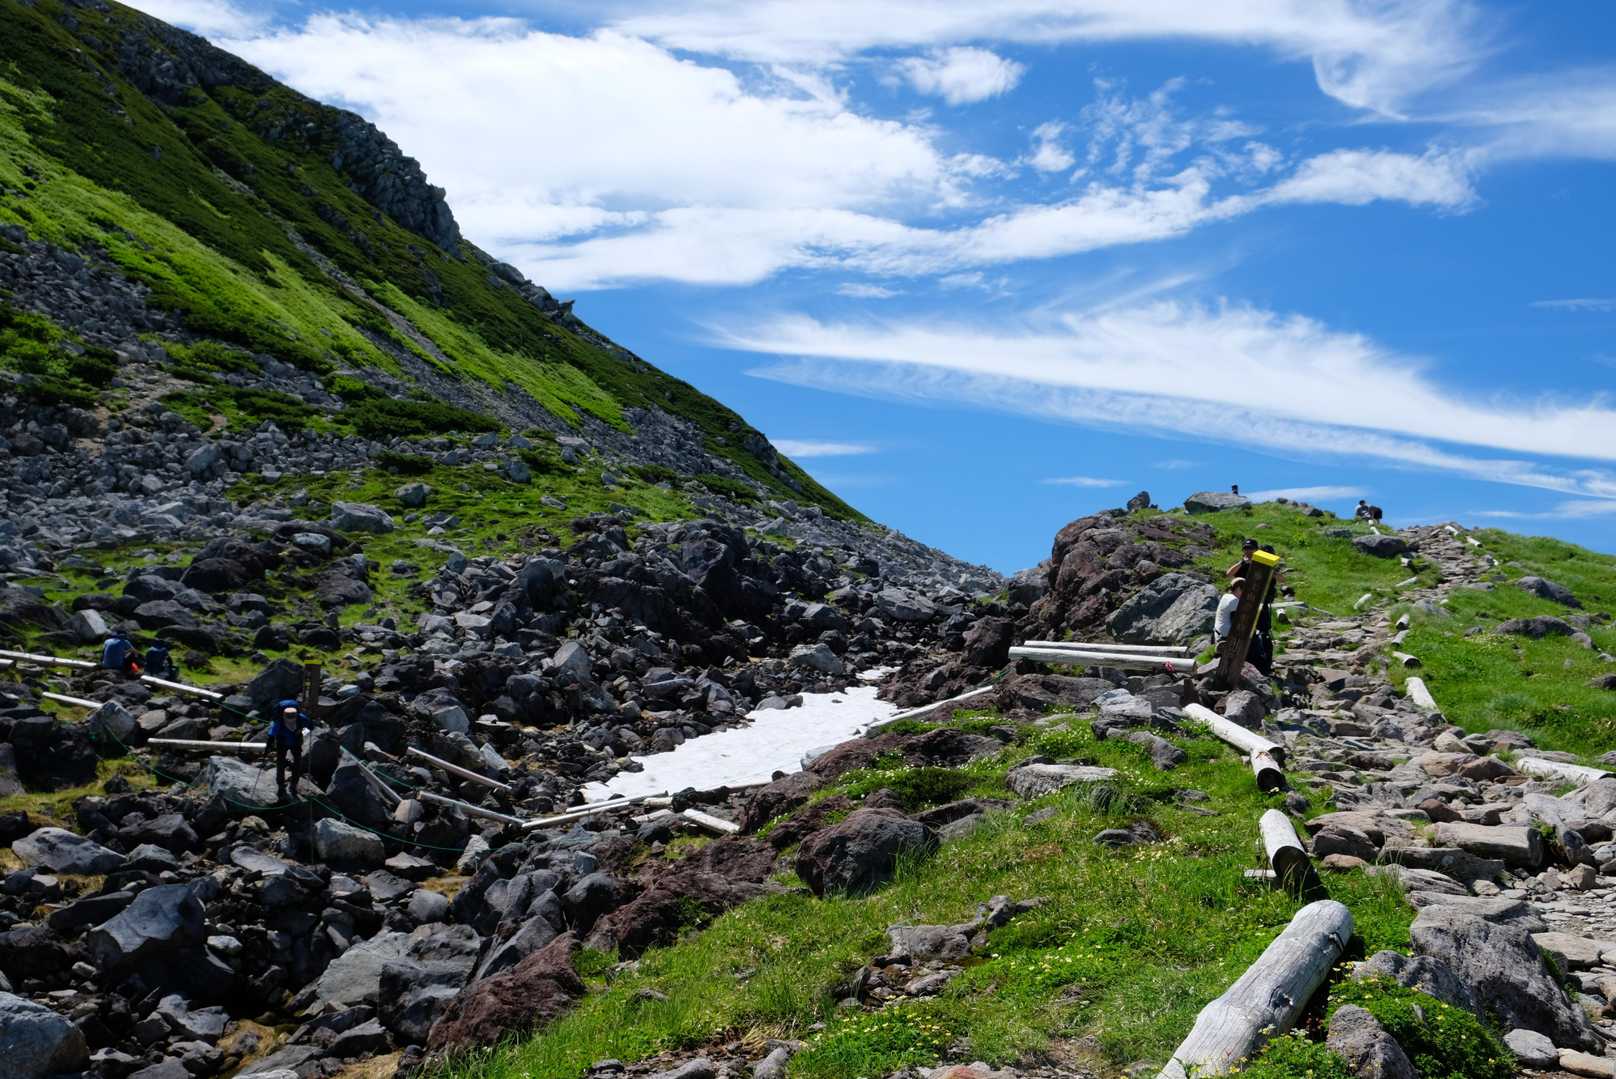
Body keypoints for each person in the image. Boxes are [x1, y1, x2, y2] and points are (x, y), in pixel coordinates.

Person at [268, 697, 316, 797]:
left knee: (284, 763)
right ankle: (288, 785)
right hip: (288, 742)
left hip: (289, 742)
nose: (290, 719)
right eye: (288, 717)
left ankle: (286, 785)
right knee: (292, 763)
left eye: (292, 717)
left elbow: (310, 727)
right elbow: (272, 734)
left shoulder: (299, 719)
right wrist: (303, 732)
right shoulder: (282, 720)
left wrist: (302, 732)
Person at [1214, 578, 1244, 648]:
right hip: (1226, 636)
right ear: (1238, 588)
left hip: (1218, 633)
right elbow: (1236, 623)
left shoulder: (1226, 596)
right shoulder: (1234, 600)